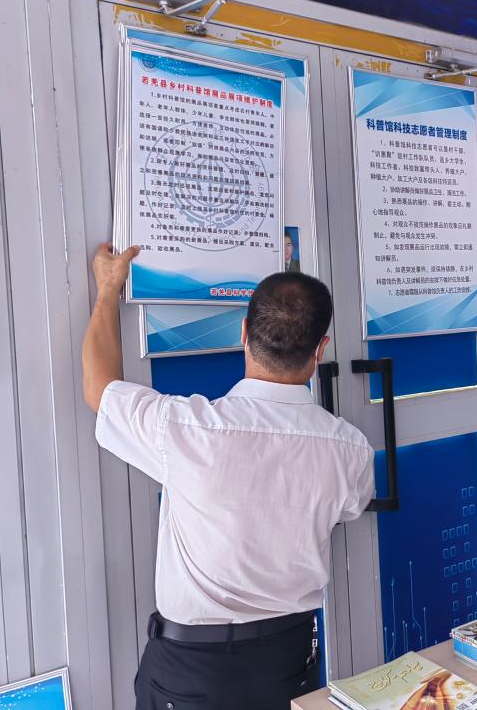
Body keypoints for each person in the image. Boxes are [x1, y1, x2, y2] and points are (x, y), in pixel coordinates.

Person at [82, 244, 375, 709]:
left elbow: (100, 389)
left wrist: (108, 289)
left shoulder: (185, 428)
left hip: (190, 671)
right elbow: (349, 508)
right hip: (289, 661)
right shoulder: (351, 449)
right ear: (320, 349)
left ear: (244, 333)